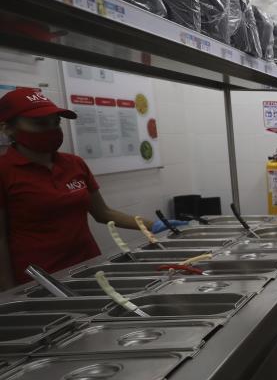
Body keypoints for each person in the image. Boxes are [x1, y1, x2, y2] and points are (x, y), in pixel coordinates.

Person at [0, 88, 187, 290]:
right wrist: (8, 291)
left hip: (89, 268)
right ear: (7, 128)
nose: (52, 129)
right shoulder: (4, 171)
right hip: (40, 280)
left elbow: (102, 213)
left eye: (56, 122)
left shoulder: (74, 164)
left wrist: (155, 225)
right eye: (40, 123)